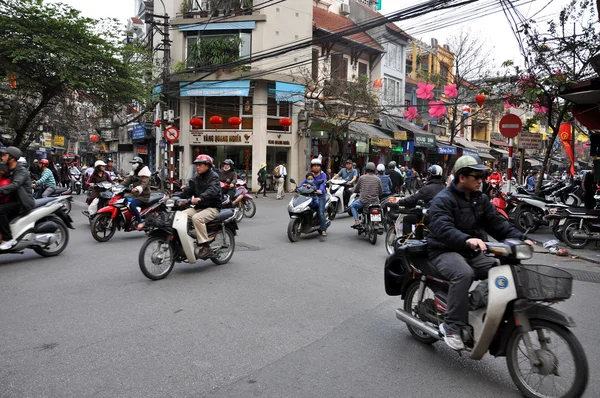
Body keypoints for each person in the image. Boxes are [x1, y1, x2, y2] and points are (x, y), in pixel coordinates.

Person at [427, 155, 532, 350]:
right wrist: (466, 239)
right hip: (444, 250)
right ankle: (451, 326)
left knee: (502, 271)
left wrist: (520, 237)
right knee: (463, 273)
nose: (480, 181)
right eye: (476, 177)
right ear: (462, 177)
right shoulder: (443, 199)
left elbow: (497, 224)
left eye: (482, 177)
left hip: (470, 251)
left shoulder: (480, 199)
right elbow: (442, 228)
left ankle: (470, 302)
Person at [183, 155, 222, 258]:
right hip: (199, 207)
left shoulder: (214, 176)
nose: (197, 167)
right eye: (196, 165)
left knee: (197, 218)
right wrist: (176, 195)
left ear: (207, 166)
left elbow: (212, 190)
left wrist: (200, 198)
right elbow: (189, 190)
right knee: (181, 215)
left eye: (200, 165)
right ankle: (185, 240)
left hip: (212, 207)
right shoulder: (197, 178)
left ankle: (206, 246)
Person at [0, 147, 35, 249]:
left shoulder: (21, 171)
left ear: (12, 158)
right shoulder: (7, 169)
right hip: (10, 199)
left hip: (22, 202)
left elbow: (15, 185)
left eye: (5, 155)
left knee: (1, 210)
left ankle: (8, 239)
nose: (2, 157)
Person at [397, 165, 445, 235]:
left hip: (430, 217)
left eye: (428, 174)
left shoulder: (427, 188)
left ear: (430, 175)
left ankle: (407, 242)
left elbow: (413, 198)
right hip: (442, 217)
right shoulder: (444, 188)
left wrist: (400, 202)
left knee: (407, 219)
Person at [119, 157, 151, 230]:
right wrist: (119, 186)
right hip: (134, 194)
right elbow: (127, 181)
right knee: (123, 202)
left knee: (132, 205)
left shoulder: (145, 174)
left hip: (143, 196)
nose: (133, 165)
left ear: (139, 163)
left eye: (134, 163)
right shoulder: (134, 172)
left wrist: (137, 188)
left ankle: (140, 222)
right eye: (132, 163)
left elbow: (144, 184)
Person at [349, 162, 383, 228]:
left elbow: (356, 188)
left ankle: (357, 222)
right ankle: (378, 222)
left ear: (366, 169)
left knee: (352, 206)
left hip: (363, 201)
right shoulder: (378, 179)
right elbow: (381, 191)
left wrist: (352, 191)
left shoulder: (362, 178)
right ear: (374, 170)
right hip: (375, 201)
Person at [306, 158, 328, 236]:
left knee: (321, 213)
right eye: (314, 166)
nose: (316, 167)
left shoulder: (323, 175)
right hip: (310, 195)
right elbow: (304, 182)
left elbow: (322, 184)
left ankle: (323, 229)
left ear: (320, 167)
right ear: (311, 167)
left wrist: (320, 190)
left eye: (317, 166)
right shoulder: (310, 175)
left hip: (320, 196)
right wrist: (297, 187)